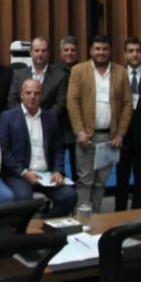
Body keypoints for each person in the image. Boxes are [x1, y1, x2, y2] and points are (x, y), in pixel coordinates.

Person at [66, 35, 131, 210]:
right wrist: (79, 131)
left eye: (104, 49)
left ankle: (95, 217)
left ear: (110, 50)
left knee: (101, 181)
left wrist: (120, 133)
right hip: (86, 136)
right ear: (91, 51)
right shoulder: (79, 71)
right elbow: (72, 102)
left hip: (110, 138)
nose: (101, 52)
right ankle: (82, 219)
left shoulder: (120, 72)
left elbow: (127, 104)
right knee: (85, 180)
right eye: (97, 49)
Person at [0, 78, 78, 215]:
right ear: (21, 95)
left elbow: (58, 149)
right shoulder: (8, 117)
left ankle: (46, 225)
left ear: (41, 96)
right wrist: (24, 172)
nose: (32, 97)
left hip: (47, 175)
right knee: (25, 199)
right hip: (20, 174)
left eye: (36, 93)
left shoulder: (51, 118)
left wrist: (58, 170)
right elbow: (5, 152)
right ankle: (23, 232)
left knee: (70, 196)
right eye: (28, 93)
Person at [115, 37, 141, 210]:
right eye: (131, 51)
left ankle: (138, 212)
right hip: (121, 137)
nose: (135, 54)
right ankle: (119, 212)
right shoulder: (117, 74)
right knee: (121, 178)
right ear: (125, 54)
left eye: (138, 50)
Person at [8, 37, 69, 125]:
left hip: (49, 125)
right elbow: (12, 100)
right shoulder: (19, 75)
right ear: (31, 52)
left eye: (43, 51)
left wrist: (44, 119)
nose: (40, 54)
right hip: (23, 123)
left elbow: (61, 104)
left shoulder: (60, 76)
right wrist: (24, 118)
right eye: (37, 51)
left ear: (48, 53)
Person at [56, 36, 81, 180]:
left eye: (72, 50)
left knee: (78, 167)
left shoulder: (83, 70)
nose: (69, 53)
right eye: (66, 50)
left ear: (77, 52)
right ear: (61, 52)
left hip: (77, 127)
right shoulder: (53, 71)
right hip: (58, 126)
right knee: (58, 167)